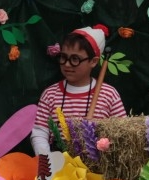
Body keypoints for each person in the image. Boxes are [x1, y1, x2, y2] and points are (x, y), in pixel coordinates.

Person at [30, 25, 127, 156]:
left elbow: (123, 132)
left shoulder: (108, 94)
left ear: (93, 61)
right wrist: (47, 162)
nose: (67, 64)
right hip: (60, 168)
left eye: (75, 59)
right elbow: (40, 132)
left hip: (98, 169)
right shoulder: (50, 94)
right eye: (63, 57)